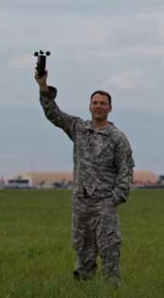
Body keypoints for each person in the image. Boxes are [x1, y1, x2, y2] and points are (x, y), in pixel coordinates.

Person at [35, 68, 135, 284]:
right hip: (81, 204)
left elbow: (126, 172)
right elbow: (54, 114)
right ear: (90, 107)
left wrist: (114, 200)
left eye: (103, 103)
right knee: (83, 255)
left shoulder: (117, 138)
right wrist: (43, 85)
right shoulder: (79, 128)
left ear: (110, 108)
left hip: (104, 204)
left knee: (110, 254)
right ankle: (83, 297)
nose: (98, 106)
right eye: (95, 103)